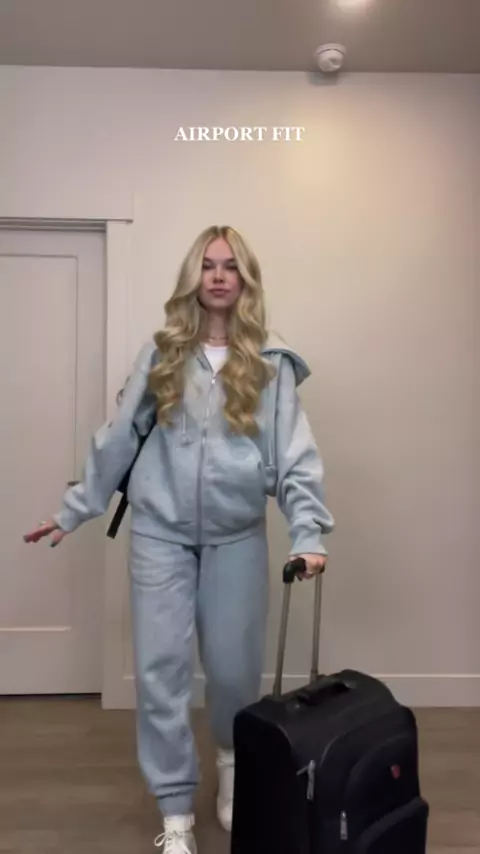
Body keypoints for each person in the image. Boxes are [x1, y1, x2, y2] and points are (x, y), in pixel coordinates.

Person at [24, 225, 335, 854]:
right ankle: (175, 815)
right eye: (208, 265)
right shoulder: (162, 353)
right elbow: (118, 437)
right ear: (193, 276)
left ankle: (232, 761)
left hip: (236, 536)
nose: (218, 276)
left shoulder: (271, 363)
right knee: (160, 671)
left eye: (231, 266)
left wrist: (308, 532)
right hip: (158, 534)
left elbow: (295, 457)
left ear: (245, 280)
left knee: (233, 672)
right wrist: (76, 507)